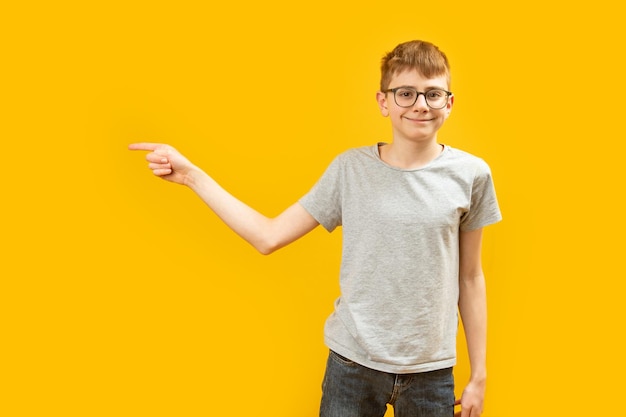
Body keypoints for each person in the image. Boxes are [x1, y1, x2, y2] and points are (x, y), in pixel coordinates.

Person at [129, 40, 501, 417]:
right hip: (352, 366)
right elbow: (268, 236)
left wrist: (479, 376)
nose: (420, 105)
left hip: (431, 372)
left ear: (449, 103)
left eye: (433, 94)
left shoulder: (471, 175)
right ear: (383, 101)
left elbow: (470, 278)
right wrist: (193, 177)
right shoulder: (349, 170)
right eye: (406, 93)